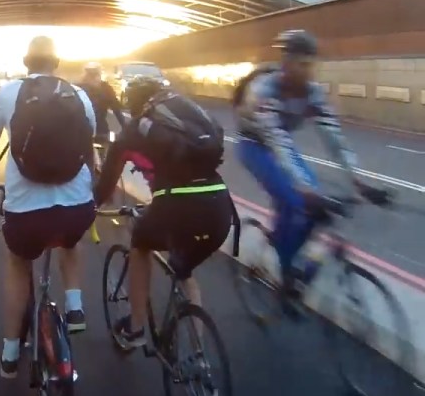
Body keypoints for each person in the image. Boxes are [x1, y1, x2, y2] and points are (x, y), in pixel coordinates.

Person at [0, 36, 96, 378]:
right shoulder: (80, 96)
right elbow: (89, 151)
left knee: (18, 263)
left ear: (27, 63)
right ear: (56, 63)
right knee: (71, 242)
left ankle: (11, 354)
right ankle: (75, 307)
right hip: (76, 207)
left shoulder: (8, 94)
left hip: (26, 212)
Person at [234, 29, 388, 301]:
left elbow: (335, 139)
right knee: (297, 200)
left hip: (280, 144)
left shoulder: (313, 93)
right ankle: (285, 276)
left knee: (315, 205)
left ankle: (289, 257)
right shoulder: (264, 91)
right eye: (302, 64)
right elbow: (276, 139)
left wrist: (359, 181)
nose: (308, 71)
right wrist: (302, 188)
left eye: (311, 65)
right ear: (287, 62)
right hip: (254, 145)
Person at [94, 77, 234, 348]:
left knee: (140, 244)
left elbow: (105, 187)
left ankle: (135, 330)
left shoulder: (133, 132)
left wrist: (91, 208)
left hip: (176, 208)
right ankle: (198, 353)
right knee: (184, 269)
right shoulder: (189, 121)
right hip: (219, 206)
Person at [76, 62, 127, 162]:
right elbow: (117, 110)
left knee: (82, 162)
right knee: (105, 160)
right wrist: (126, 130)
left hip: (83, 133)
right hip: (101, 131)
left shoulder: (78, 88)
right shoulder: (106, 88)